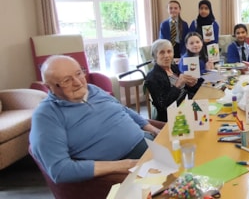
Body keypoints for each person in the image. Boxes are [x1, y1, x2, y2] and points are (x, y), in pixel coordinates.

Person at [29, 55, 162, 183]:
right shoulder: (46, 116)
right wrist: (122, 165)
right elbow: (59, 170)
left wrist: (154, 130)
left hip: (149, 142)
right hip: (124, 165)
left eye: (79, 73)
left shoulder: (93, 90)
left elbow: (123, 109)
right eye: (66, 80)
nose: (78, 82)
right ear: (49, 87)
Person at [146, 39, 204, 122]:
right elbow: (164, 104)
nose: (166, 55)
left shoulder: (173, 68)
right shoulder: (153, 76)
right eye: (162, 52)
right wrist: (178, 85)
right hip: (171, 116)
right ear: (155, 56)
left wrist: (193, 84)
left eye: (169, 51)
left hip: (186, 104)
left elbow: (186, 88)